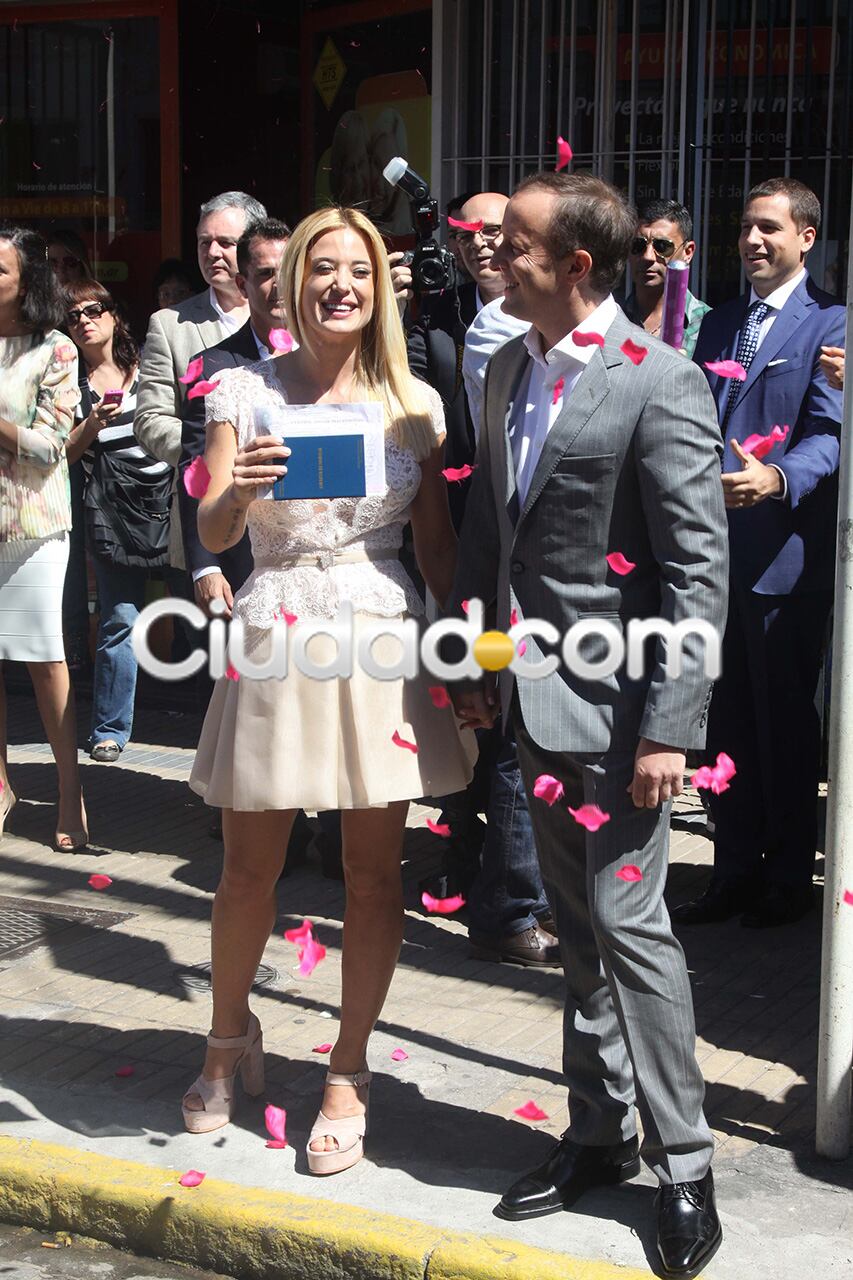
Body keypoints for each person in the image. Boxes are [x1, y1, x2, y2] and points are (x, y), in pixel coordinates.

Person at [450, 172, 728, 1279]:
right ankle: (598, 1131)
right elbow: (490, 532)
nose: (489, 251)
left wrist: (670, 728)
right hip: (531, 700)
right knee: (577, 933)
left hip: (622, 720)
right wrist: (474, 665)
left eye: (511, 240)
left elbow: (696, 571)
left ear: (575, 264)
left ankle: (687, 1161)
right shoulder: (510, 363)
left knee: (633, 933)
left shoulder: (656, 382)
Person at [184, 206, 475, 1175]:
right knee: (246, 869)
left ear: (380, 286)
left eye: (359, 269)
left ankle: (347, 1067)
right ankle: (229, 1035)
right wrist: (239, 489)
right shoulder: (243, 391)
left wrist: (464, 649)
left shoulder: (413, 402)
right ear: (291, 281)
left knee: (371, 873)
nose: (341, 284)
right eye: (323, 268)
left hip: (382, 640)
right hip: (274, 634)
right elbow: (219, 531)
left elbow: (433, 545)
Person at [680, 178, 845, 929]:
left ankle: (786, 877)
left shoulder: (831, 324)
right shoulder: (715, 327)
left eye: (768, 229)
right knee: (725, 730)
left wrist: (777, 478)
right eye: (745, 227)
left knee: (781, 726)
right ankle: (731, 869)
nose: (751, 241)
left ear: (804, 238)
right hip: (711, 561)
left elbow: (829, 435)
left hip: (782, 561)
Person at [408, 189, 558, 967]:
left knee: (506, 730)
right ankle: (481, 878)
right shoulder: (439, 317)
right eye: (467, 234)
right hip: (458, 542)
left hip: (519, 555)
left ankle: (506, 893)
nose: (480, 247)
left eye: (497, 234)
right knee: (480, 725)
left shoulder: (542, 332)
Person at [0, 226, 87, 850]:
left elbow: (51, 446)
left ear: (26, 280)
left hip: (31, 525)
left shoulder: (56, 348)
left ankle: (69, 790)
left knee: (42, 658)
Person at [64, 282, 172, 763]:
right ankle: (109, 730)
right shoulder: (70, 385)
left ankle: (218, 723)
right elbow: (62, 454)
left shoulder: (149, 364)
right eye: (73, 316)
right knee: (119, 620)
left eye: (94, 310)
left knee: (205, 613)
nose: (85, 320)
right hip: (114, 512)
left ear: (113, 315)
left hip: (171, 501)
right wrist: (93, 423)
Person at [134, 191, 268, 572]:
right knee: (203, 634)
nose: (212, 253)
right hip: (205, 524)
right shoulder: (171, 325)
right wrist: (215, 453)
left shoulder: (290, 316)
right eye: (204, 242)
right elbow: (150, 419)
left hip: (280, 523)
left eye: (225, 243)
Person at [49, 231, 95, 670]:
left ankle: (79, 640)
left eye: (70, 262)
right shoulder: (34, 321)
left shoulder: (92, 311)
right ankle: (68, 640)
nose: (61, 271)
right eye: (53, 262)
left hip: (92, 448)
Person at [623, 199, 709, 357]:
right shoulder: (612, 319)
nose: (648, 257)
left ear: (688, 252)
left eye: (662, 246)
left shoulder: (709, 324)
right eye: (638, 245)